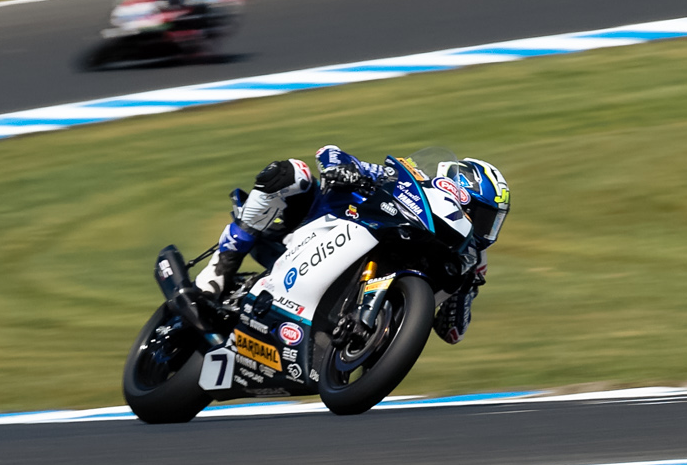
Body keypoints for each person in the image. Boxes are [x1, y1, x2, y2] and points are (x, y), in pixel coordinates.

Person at [194, 145, 511, 344]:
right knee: (291, 173)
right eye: (483, 215)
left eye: (493, 221)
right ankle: (218, 272)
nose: (485, 228)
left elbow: (452, 332)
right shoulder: (411, 184)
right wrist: (343, 169)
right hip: (316, 228)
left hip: (356, 291)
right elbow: (329, 153)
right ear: (456, 190)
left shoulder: (470, 259)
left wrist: (468, 288)